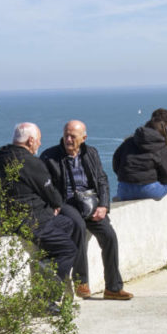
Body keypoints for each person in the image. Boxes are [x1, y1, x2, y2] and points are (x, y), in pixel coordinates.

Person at [41, 120, 133, 301]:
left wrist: (104, 205)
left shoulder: (91, 153)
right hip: (66, 203)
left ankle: (113, 287)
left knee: (109, 235)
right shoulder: (49, 156)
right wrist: (53, 205)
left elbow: (102, 180)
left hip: (90, 202)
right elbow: (44, 185)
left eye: (72, 136)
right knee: (78, 226)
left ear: (83, 138)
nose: (68, 139)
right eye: (66, 135)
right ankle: (81, 280)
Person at [0, 122, 80, 301]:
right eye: (38, 140)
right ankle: (48, 298)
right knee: (69, 249)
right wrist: (54, 205)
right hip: (33, 222)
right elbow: (51, 194)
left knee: (69, 223)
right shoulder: (30, 161)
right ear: (31, 141)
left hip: (9, 220)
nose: (39, 144)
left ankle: (47, 261)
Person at [112, 114, 167, 201]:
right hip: (148, 190)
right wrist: (159, 180)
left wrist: (128, 177)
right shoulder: (161, 146)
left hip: (124, 190)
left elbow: (116, 162)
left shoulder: (128, 142)